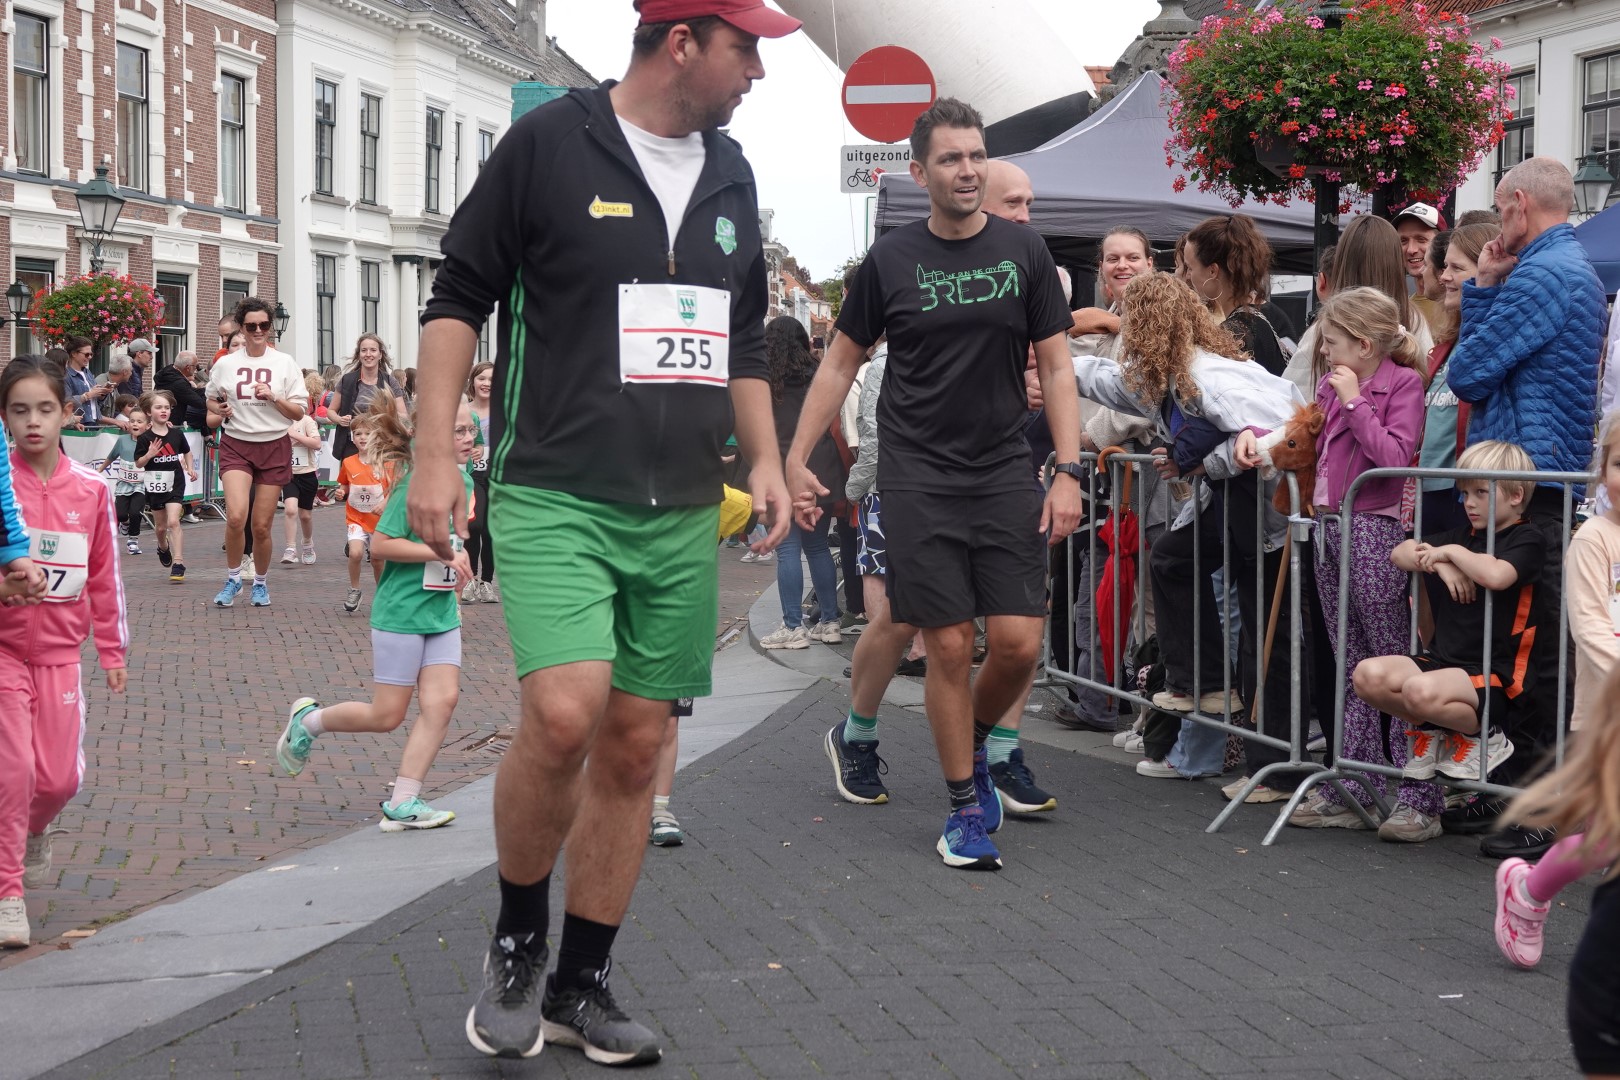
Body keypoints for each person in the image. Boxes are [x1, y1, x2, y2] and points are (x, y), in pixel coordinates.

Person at [407, 1, 798, 1062]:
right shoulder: (548, 143)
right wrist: (434, 454)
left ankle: (581, 984)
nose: (758, 71)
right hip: (556, 488)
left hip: (680, 505)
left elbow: (741, 340)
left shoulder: (731, 173)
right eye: (746, 48)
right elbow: (458, 296)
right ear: (683, 42)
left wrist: (765, 459)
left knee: (634, 746)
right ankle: (516, 946)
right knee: (566, 713)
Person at [788, 98, 1083, 872]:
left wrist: (1067, 469)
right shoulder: (891, 260)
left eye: (976, 155)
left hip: (1002, 470)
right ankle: (962, 810)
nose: (968, 170)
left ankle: (974, 745)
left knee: (1017, 643)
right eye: (951, 158)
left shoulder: (1023, 250)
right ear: (920, 173)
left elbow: (1057, 368)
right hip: (917, 475)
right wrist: (796, 456)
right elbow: (840, 363)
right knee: (949, 644)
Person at [1070, 274, 1306, 787]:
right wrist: (1050, 361)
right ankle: (1203, 681)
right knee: (1173, 558)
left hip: (1272, 513)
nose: (1127, 339)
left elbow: (1288, 426)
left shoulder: (1214, 377)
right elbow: (1108, 381)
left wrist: (1210, 461)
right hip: (1231, 503)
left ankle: (1276, 773)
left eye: (1133, 327)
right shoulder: (1166, 375)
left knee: (1268, 639)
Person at [1447, 156, 1608, 859]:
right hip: (1531, 477)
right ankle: (1516, 788)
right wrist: (1487, 286)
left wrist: (1483, 287)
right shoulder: (1563, 268)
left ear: (1517, 204)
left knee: (1535, 655)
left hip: (1530, 481)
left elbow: (1468, 371)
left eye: (1499, 206)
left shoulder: (1544, 274)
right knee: (1518, 647)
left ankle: (1540, 805)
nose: (1496, 220)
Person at [1237, 288, 1435, 840]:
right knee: (1350, 661)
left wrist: (1355, 402)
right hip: (1328, 527)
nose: (1323, 350)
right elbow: (1303, 435)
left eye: (1332, 341)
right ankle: (1354, 784)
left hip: (1374, 529)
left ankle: (1418, 792)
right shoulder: (1331, 383)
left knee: (1393, 662)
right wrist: (1258, 441)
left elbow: (1394, 457)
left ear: (1365, 345)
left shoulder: (1403, 384)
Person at [275, 397, 476, 833]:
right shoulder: (415, 485)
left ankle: (403, 801)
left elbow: (454, 541)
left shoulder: (463, 479)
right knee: (387, 716)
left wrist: (458, 569)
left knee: (442, 703)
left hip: (441, 611)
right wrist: (440, 552)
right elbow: (382, 545)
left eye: (471, 429)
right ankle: (309, 721)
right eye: (458, 430)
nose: (468, 438)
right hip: (401, 612)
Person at [0, 356, 128, 948]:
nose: (33, 422)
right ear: (4, 418)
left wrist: (112, 649)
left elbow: (104, 576)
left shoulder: (92, 489)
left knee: (55, 781)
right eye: (19, 410)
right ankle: (8, 894)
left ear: (66, 413)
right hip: (4, 651)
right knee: (14, 770)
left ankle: (33, 830)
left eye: (45, 409)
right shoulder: (2, 487)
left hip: (59, 655)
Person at [1490, 413, 1620, 970]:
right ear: (1602, 471)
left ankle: (1529, 891)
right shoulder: (1593, 539)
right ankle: (1527, 892)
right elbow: (1590, 628)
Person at [1351, 441, 1541, 798]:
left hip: (1495, 675)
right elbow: (1400, 552)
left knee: (1417, 690)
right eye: (1465, 493)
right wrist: (1440, 564)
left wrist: (1449, 553)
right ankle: (1437, 731)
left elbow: (1496, 575)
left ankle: (1485, 736)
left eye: (1481, 492)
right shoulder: (1462, 536)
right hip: (1444, 663)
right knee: (1367, 676)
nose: (1469, 502)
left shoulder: (1527, 537)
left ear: (1516, 496)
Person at [205, 297, 309, 608]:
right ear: (242, 328)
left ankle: (260, 583)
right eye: (252, 326)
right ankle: (233, 579)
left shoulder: (284, 363)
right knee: (236, 516)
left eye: (264, 325)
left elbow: (299, 412)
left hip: (274, 445)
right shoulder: (226, 364)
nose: (259, 330)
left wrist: (274, 397)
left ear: (270, 326)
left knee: (261, 526)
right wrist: (220, 409)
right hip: (237, 444)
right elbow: (210, 400)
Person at [759, 316, 845, 649]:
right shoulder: (817, 373)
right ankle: (830, 621)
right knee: (818, 546)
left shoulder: (765, 378)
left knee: (787, 549)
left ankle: (793, 626)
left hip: (782, 467)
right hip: (820, 466)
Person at [1284, 214, 1435, 396]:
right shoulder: (1413, 320)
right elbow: (1429, 385)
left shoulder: (1325, 329)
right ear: (1395, 263)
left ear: (1343, 261)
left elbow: (1292, 398)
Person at [1420, 222, 1501, 535]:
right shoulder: (1445, 345)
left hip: (1464, 492)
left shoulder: (1491, 344)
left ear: (1487, 273)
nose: (1444, 277)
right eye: (1444, 266)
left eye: (1456, 268)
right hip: (1428, 490)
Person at [1180, 215, 1289, 377]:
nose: (1188, 276)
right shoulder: (1254, 319)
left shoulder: (1236, 334)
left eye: (1190, 267)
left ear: (1212, 271)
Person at [135, 390, 196, 583]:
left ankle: (178, 562)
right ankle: (163, 547)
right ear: (149, 412)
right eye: (159, 407)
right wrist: (149, 454)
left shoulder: (176, 434)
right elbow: (139, 463)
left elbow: (187, 452)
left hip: (175, 482)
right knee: (161, 528)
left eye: (167, 408)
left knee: (173, 522)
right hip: (155, 485)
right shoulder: (145, 438)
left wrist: (190, 468)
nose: (164, 411)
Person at [330, 334, 406, 467]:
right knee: (353, 479)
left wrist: (387, 418)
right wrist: (339, 419)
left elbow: (403, 415)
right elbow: (331, 411)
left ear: (380, 354)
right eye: (364, 350)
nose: (368, 354)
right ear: (359, 354)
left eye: (373, 350)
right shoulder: (347, 380)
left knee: (379, 479)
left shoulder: (390, 382)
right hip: (352, 445)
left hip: (382, 445)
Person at [337, 416, 388, 612]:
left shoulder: (385, 462)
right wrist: (341, 492)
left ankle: (382, 594)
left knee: (377, 559)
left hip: (379, 520)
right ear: (352, 437)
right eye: (358, 434)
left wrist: (384, 502)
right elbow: (344, 484)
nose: (363, 437)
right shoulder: (348, 462)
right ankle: (355, 590)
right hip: (356, 517)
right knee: (355, 553)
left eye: (368, 433)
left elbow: (395, 488)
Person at [462, 362, 497, 603]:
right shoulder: (464, 411)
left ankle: (486, 582)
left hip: (497, 476)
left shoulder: (504, 412)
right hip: (472, 475)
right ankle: (470, 579)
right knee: (473, 525)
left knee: (490, 530)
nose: (486, 383)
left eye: (492, 379)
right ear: (473, 381)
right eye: (482, 378)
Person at [99, 405, 149, 555]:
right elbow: (111, 456)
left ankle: (133, 540)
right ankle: (125, 524)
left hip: (141, 484)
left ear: (147, 425)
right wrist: (100, 469)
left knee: (135, 513)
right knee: (120, 514)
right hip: (124, 483)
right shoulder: (122, 440)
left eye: (139, 421)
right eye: (132, 421)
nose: (135, 424)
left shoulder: (150, 442)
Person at [1392, 202, 1446, 333]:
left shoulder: (1456, 306)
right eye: (1403, 241)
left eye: (1421, 239)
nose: (1411, 250)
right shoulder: (1400, 309)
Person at [280, 407, 321, 565]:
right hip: (288, 474)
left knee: (305, 516)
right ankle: (290, 548)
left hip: (307, 474)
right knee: (290, 510)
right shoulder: (278, 419)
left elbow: (317, 444)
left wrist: (294, 435)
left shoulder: (306, 420)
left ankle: (307, 543)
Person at [156, 350, 210, 431]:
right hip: (171, 425)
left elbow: (190, 391)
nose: (196, 370)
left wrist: (205, 390)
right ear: (188, 368)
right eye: (195, 367)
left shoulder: (168, 373)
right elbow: (200, 403)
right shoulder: (178, 383)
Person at [62, 336, 111, 427]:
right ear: (74, 354)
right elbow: (66, 402)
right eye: (86, 354)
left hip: (94, 422)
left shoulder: (87, 373)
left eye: (91, 354)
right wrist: (87, 396)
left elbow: (96, 402)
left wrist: (102, 392)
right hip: (78, 424)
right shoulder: (65, 375)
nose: (90, 357)